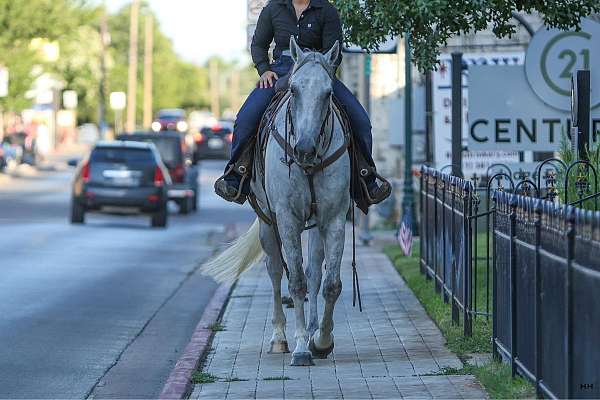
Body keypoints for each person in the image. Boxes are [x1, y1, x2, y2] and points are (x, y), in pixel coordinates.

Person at [215, 0, 391, 205]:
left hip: (318, 73)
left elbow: (334, 52)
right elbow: (258, 45)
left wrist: (321, 74)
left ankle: (365, 178)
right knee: (245, 119)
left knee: (361, 121)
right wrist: (264, 70)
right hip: (280, 71)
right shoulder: (273, 8)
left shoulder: (326, 10)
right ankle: (237, 174)